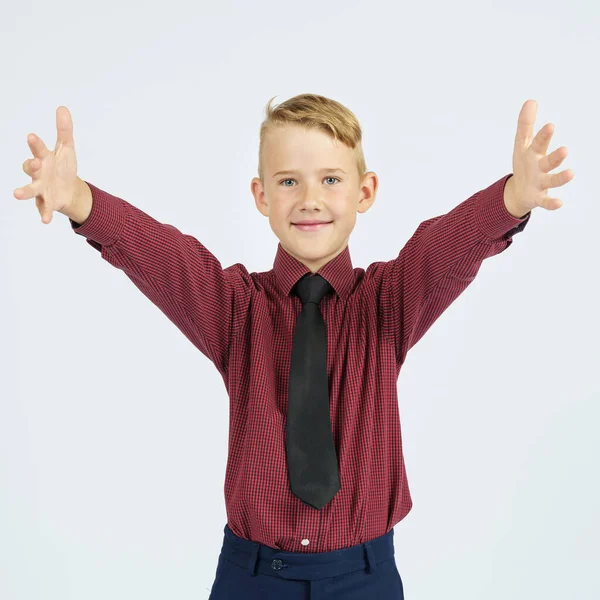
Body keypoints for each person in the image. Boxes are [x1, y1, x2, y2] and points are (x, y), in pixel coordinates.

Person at [14, 94, 573, 599]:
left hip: (365, 578)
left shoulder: (389, 302)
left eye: (331, 180)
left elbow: (444, 248)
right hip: (253, 577)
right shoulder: (234, 308)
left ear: (365, 191)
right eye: (288, 181)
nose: (310, 199)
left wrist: (510, 199)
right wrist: (82, 200)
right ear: (260, 195)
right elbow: (165, 256)